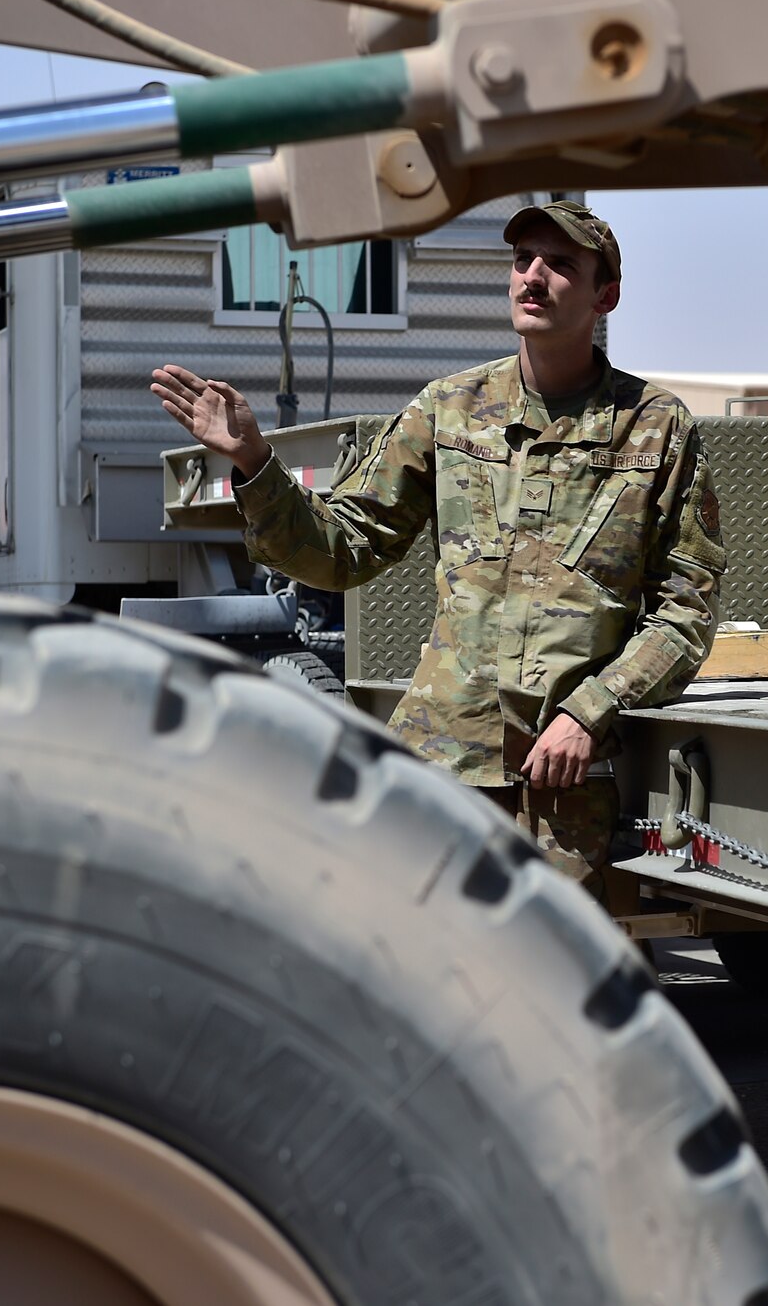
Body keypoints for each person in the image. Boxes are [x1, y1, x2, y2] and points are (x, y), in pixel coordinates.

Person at [149, 200, 726, 909]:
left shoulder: (657, 429)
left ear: (606, 295)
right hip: (444, 766)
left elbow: (685, 610)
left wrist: (591, 711)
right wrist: (256, 464)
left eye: (561, 265)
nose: (533, 278)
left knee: (552, 994)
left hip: (569, 785)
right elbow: (345, 549)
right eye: (523, 262)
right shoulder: (448, 410)